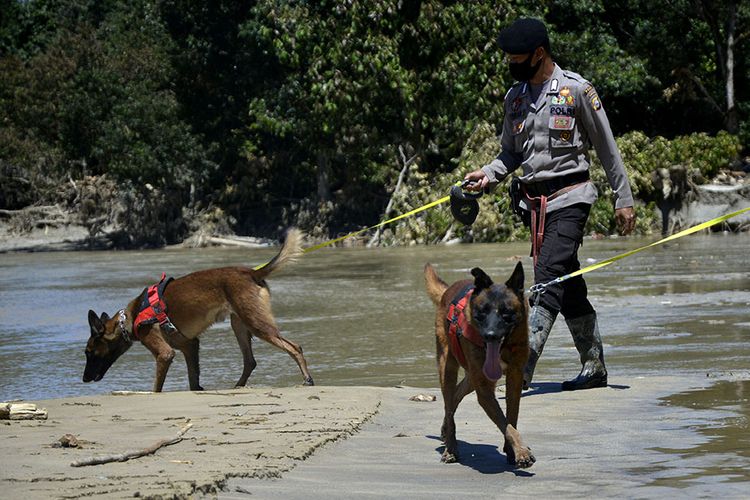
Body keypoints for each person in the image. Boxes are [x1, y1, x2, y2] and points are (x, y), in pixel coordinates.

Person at [463, 18, 636, 391]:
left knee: (547, 281)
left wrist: (623, 199)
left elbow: (607, 148)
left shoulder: (576, 91)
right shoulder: (516, 98)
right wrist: (487, 175)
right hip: (534, 204)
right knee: (569, 286)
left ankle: (520, 367)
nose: (511, 64)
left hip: (572, 197)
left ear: (539, 53)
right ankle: (595, 368)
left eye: (517, 57)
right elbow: (509, 154)